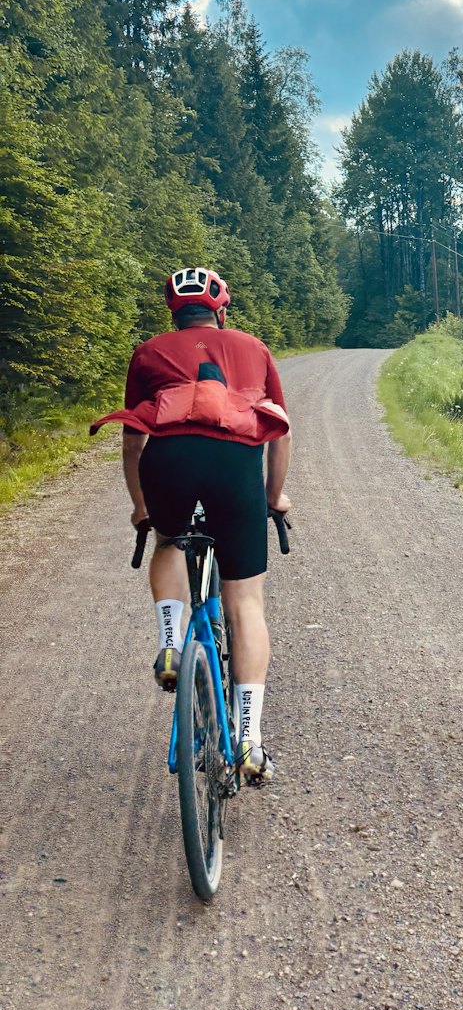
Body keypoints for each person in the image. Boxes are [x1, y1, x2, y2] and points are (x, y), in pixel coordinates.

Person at [92, 267, 292, 784]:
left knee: (170, 539)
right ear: (220, 308)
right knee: (245, 601)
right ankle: (248, 741)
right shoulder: (254, 346)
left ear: (172, 311)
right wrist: (274, 497)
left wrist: (142, 506)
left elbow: (134, 438)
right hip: (234, 466)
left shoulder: (148, 351)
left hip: (170, 462)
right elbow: (279, 430)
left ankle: (170, 645)